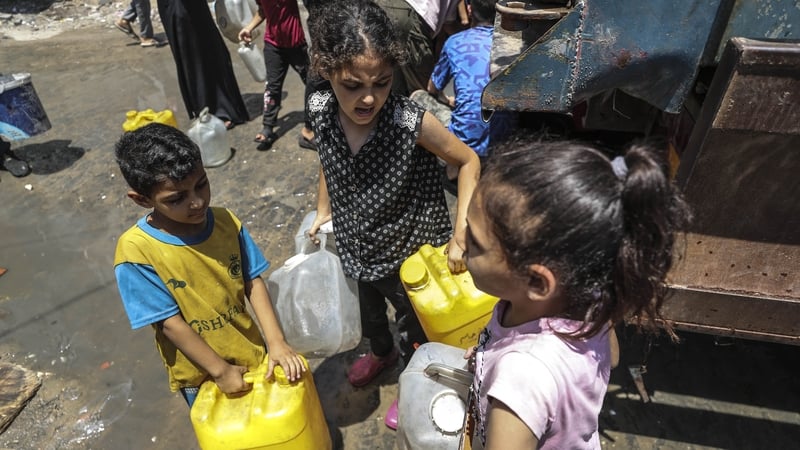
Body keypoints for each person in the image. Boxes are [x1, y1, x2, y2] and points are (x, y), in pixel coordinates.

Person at [305, 0, 481, 427]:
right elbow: (329, 160)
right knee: (370, 316)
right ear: (325, 71)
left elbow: (470, 161)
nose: (369, 98)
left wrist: (460, 234)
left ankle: (416, 380)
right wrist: (322, 209)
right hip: (357, 245)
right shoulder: (320, 109)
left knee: (416, 330)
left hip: (411, 254)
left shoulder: (408, 120)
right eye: (352, 85)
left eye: (382, 83)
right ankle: (381, 354)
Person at [463, 139, 691, 449]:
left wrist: (512, 376)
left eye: (475, 242)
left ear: (537, 282)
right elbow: (611, 360)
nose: (463, 244)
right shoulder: (592, 301)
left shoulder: (521, 379)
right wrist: (487, 359)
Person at [112, 123, 305, 408]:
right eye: (177, 198)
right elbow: (169, 323)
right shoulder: (136, 252)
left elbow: (253, 281)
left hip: (251, 352)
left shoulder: (226, 222)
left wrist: (275, 341)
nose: (198, 202)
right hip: (201, 374)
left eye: (201, 183)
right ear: (141, 200)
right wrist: (220, 370)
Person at [411, 0, 515, 191]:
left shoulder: (455, 42)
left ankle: (452, 166)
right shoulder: (513, 46)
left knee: (418, 97)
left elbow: (431, 88)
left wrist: (449, 100)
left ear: (469, 9)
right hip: (503, 144)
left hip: (465, 145)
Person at [156, 0, 249, 129]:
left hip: (187, 9)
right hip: (183, 11)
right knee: (197, 58)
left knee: (206, 55)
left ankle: (210, 109)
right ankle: (212, 112)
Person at [238, 0, 316, 151]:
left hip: (297, 46)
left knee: (313, 84)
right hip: (273, 46)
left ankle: (313, 124)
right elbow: (262, 10)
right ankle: (268, 127)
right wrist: (249, 28)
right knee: (273, 87)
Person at [374, 0, 465, 95]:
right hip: (411, 13)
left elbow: (448, 24)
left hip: (383, 6)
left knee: (393, 89)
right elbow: (449, 25)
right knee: (424, 96)